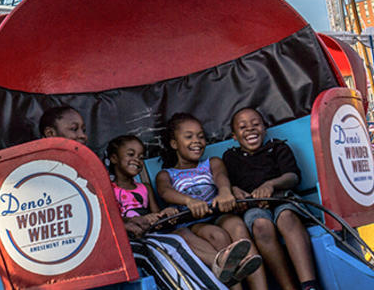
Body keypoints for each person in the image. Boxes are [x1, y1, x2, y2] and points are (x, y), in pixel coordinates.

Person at [108, 134, 255, 287]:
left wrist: (166, 213)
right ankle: (222, 264)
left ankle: (221, 262)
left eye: (141, 156)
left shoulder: (144, 187)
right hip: (134, 237)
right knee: (177, 240)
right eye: (131, 155)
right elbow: (111, 218)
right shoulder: (109, 190)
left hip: (153, 233)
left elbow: (158, 215)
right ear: (114, 158)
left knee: (182, 234)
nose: (137, 160)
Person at [156, 113, 266, 289]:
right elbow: (165, 191)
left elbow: (221, 177)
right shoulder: (167, 174)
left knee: (237, 226)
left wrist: (224, 192)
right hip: (193, 222)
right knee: (217, 236)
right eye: (189, 136)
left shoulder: (211, 163)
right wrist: (189, 201)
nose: (197, 141)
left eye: (201, 136)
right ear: (174, 144)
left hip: (218, 214)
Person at [223, 108, 319, 290]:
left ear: (265, 129)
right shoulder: (231, 157)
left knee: (286, 217)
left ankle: (309, 285)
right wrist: (234, 190)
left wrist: (271, 184)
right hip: (254, 207)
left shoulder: (277, 147)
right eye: (243, 127)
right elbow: (228, 184)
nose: (250, 129)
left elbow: (292, 177)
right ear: (234, 136)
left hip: (283, 199)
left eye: (256, 124)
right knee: (260, 225)